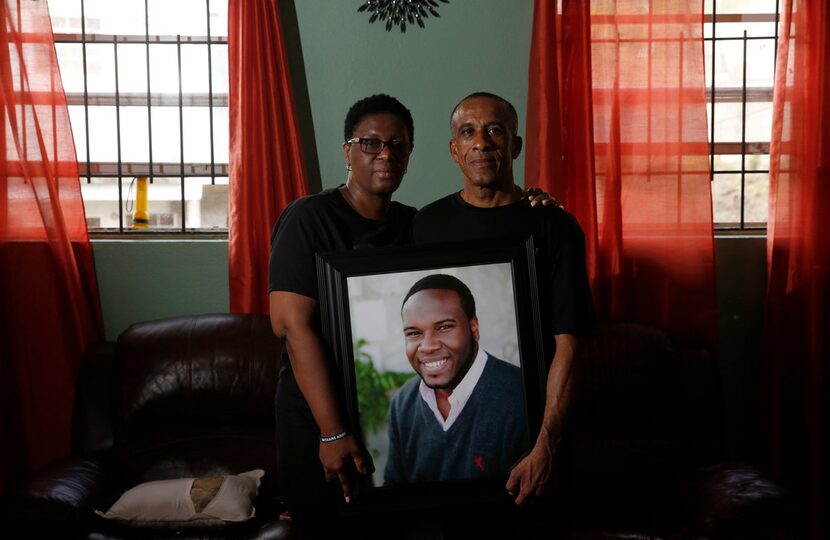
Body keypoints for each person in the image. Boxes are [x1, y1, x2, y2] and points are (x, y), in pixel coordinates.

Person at [268, 94, 555, 537]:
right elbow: (290, 325)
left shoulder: (416, 225)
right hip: (316, 421)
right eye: (371, 143)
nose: (386, 154)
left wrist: (529, 202)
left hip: (366, 428)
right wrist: (330, 432)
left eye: (398, 145)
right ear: (348, 150)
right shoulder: (310, 217)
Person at [412, 92, 596, 508]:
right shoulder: (426, 226)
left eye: (495, 130)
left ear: (515, 145)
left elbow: (571, 344)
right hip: (458, 443)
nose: (482, 142)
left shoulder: (555, 226)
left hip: (536, 438)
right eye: (468, 132)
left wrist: (545, 446)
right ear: (454, 149)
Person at [384, 274, 528, 485]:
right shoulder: (402, 404)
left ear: (474, 328)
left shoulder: (522, 395)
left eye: (444, 327)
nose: (428, 345)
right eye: (414, 333)